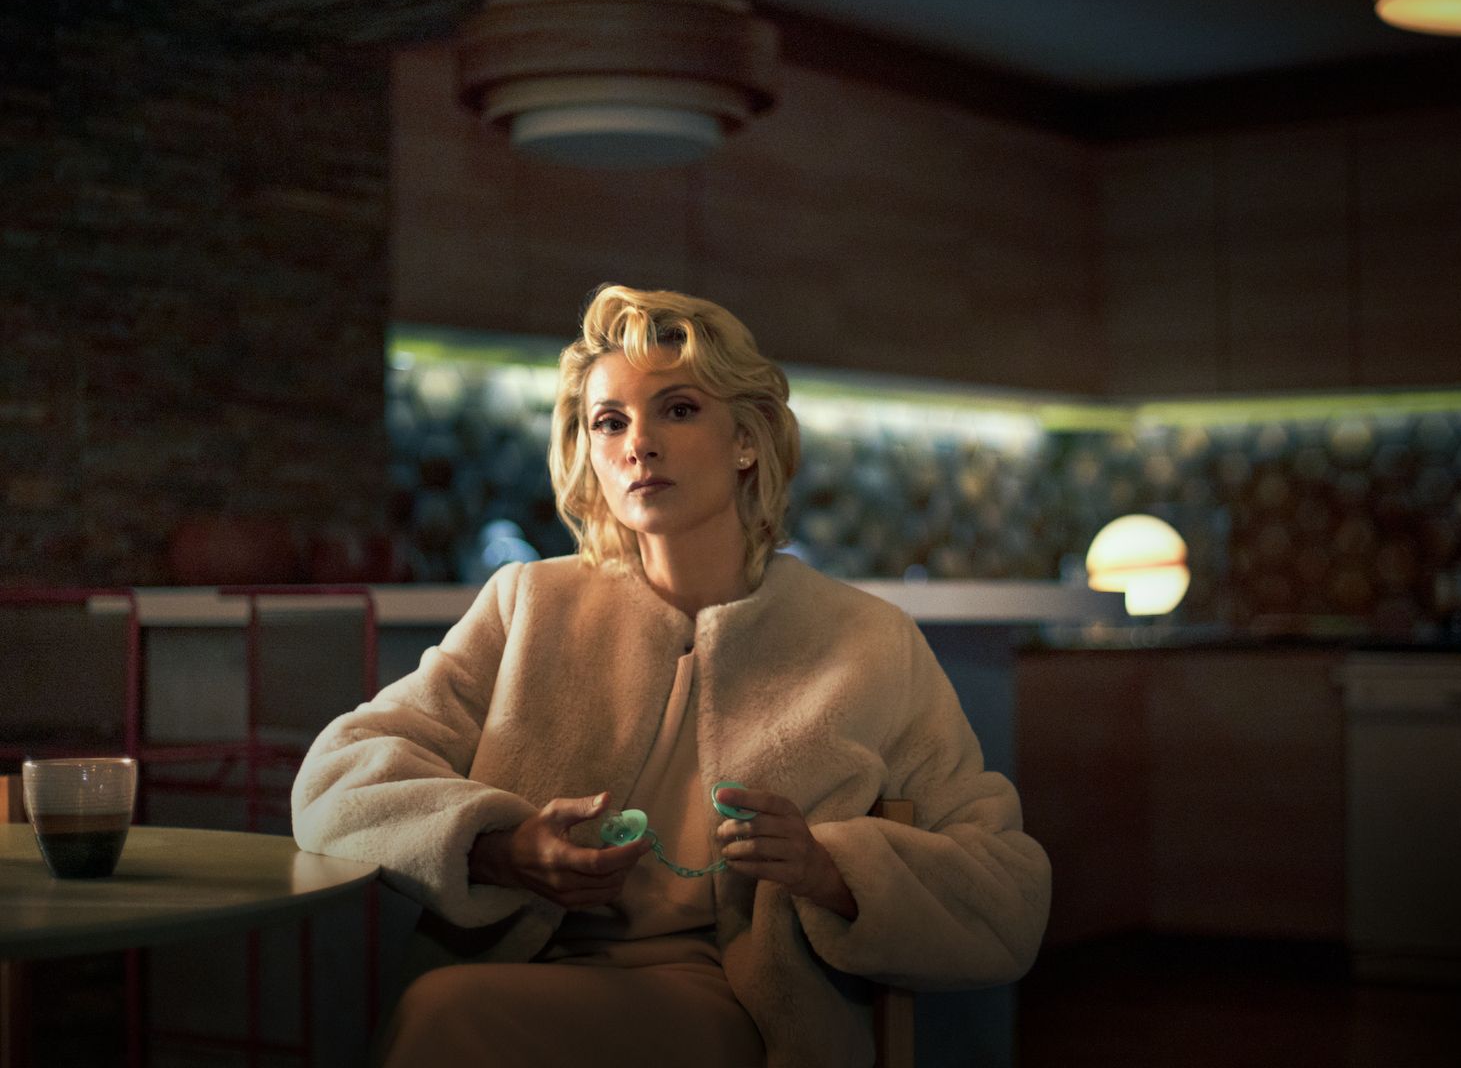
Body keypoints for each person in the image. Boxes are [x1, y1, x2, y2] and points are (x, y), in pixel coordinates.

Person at [291, 285, 1051, 1068]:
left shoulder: (868, 642)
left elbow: (1009, 898)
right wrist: (502, 849)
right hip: (521, 969)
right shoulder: (529, 604)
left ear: (746, 440)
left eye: (678, 410)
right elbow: (335, 779)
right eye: (609, 421)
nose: (639, 445)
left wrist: (830, 869)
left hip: (740, 1007)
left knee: (444, 1016)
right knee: (443, 1008)